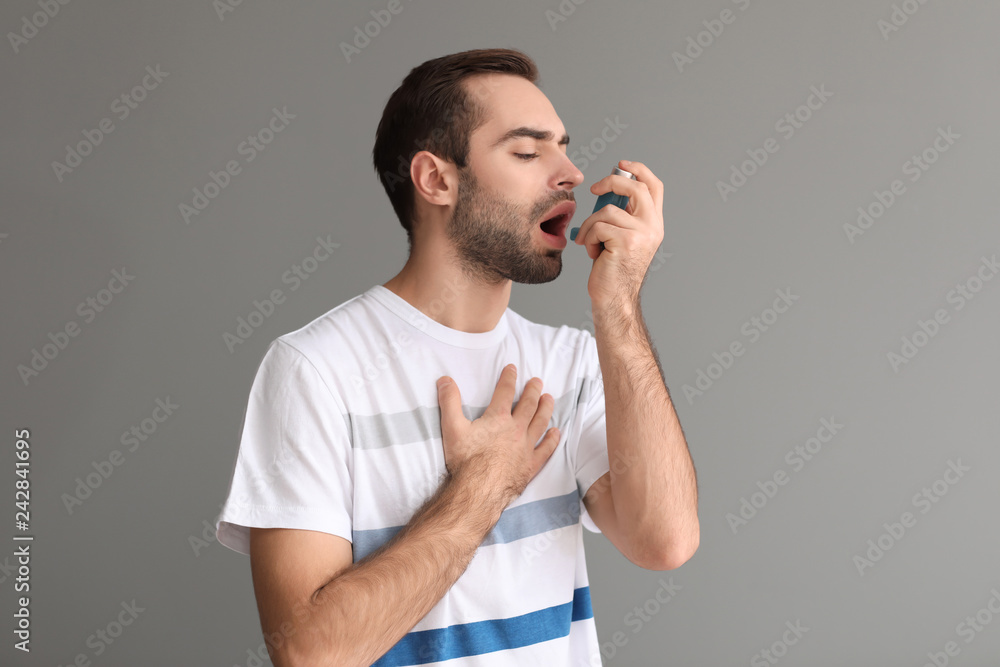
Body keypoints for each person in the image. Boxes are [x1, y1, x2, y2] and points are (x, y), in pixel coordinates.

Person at [215, 47, 699, 667]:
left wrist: (620, 307)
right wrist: (483, 486)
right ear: (436, 180)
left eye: (563, 148)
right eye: (527, 153)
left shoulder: (574, 362)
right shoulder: (315, 370)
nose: (573, 174)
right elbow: (310, 655)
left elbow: (665, 541)